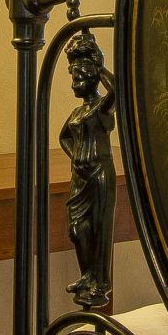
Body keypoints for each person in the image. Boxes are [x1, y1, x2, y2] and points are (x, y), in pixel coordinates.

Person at [60, 30, 116, 309]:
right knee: (76, 229)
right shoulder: (76, 114)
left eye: (79, 77)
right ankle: (86, 275)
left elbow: (117, 90)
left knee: (99, 230)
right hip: (80, 176)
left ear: (92, 77)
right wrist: (77, 157)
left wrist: (99, 65)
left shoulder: (101, 109)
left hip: (99, 173)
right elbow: (64, 138)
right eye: (73, 77)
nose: (75, 83)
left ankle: (98, 282)